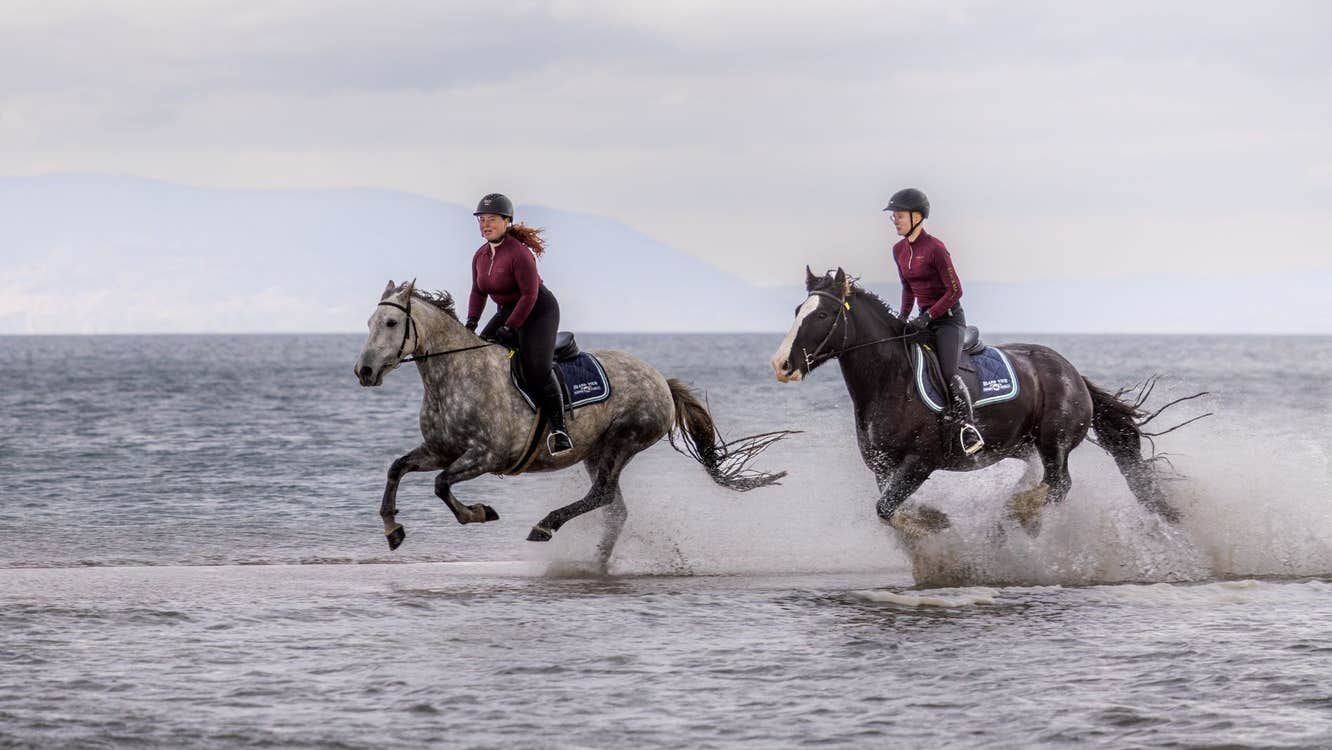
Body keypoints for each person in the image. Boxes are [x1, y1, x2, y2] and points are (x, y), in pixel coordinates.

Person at [465, 193, 573, 456]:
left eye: (491, 219)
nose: (485, 225)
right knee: (478, 354)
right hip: (508, 310)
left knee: (537, 369)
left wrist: (511, 327)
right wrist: (471, 323)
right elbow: (478, 292)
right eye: (482, 220)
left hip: (539, 311)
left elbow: (529, 295)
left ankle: (560, 431)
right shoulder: (480, 256)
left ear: (506, 221)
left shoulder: (519, 254)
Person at [884, 188, 985, 456]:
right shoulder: (899, 250)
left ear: (917, 216)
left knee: (948, 372)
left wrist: (928, 316)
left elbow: (955, 291)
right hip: (922, 321)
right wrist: (902, 319)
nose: (895, 220)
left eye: (900, 215)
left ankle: (967, 427)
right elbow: (907, 289)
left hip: (949, 322)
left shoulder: (935, 249)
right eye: (893, 216)